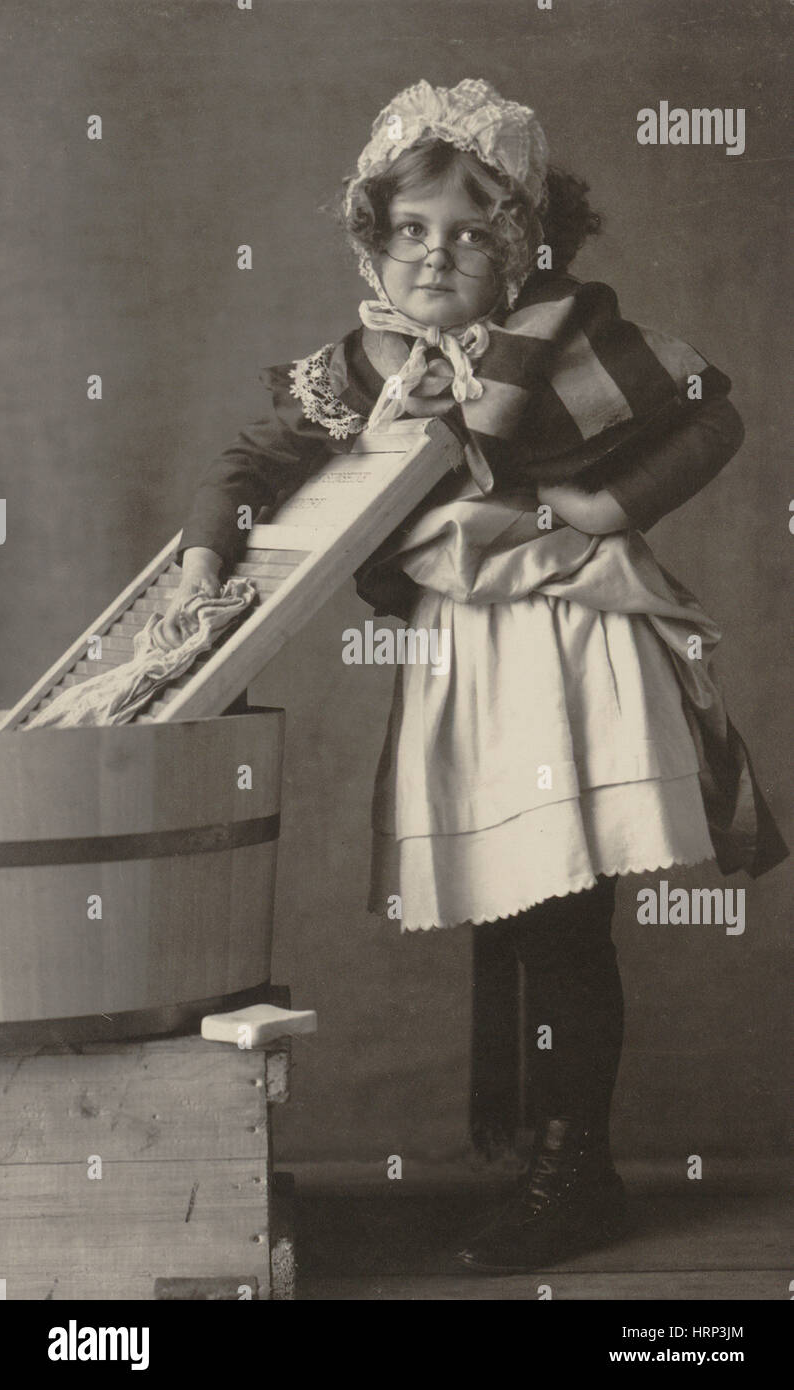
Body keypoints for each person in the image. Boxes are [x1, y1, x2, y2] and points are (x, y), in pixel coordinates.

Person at [166, 79, 787, 1274]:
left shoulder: (567, 334)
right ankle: (539, 1156)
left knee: (561, 915)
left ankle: (575, 1175)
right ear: (372, 236)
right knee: (511, 907)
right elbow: (248, 464)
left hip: (572, 641)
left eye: (471, 229)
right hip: (464, 661)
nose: (437, 252)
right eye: (410, 228)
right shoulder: (362, 366)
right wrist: (206, 556)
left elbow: (710, 416)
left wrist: (599, 503)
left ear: (522, 245)